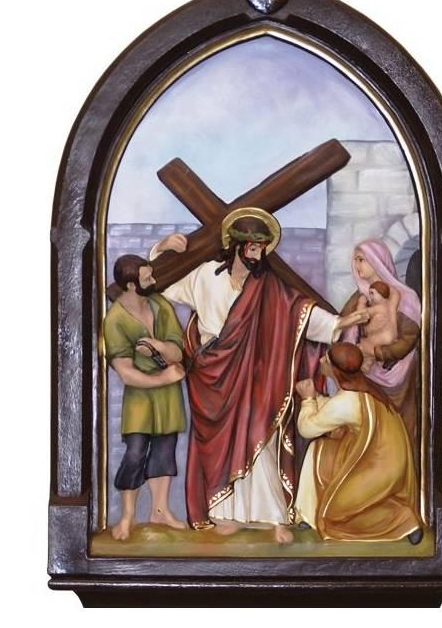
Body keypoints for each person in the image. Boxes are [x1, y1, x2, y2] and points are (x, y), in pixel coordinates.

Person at [151, 207, 369, 543]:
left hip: (255, 373)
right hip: (213, 375)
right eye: (252, 247)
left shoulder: (268, 286)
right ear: (236, 245)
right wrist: (162, 248)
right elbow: (162, 283)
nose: (257, 255)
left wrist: (340, 323)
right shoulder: (204, 275)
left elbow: (297, 312)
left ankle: (274, 517)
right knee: (220, 448)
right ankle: (225, 513)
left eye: (261, 248)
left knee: (260, 434)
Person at [294, 342, 422, 543]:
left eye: (326, 359)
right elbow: (334, 409)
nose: (321, 360)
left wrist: (308, 400)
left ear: (336, 369)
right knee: (320, 451)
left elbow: (307, 429)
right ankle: (307, 515)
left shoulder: (347, 401)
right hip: (382, 457)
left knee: (336, 518)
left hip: (378, 468)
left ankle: (403, 520)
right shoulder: (364, 388)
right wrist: (316, 399)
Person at [103, 254, 188, 541]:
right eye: (147, 278)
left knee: (165, 451)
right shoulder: (115, 320)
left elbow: (177, 351)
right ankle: (127, 516)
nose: (153, 280)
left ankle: (160, 511)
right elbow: (126, 373)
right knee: (135, 454)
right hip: (139, 398)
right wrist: (163, 378)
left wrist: (157, 346)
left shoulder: (160, 305)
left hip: (168, 397)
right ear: (130, 285)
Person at [339, 239, 422, 450]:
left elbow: (409, 337)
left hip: (397, 377)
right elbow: (340, 325)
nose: (357, 265)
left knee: (398, 433)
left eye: (362, 259)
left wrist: (379, 353)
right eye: (355, 260)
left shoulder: (406, 298)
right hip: (365, 375)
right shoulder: (359, 298)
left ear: (377, 261)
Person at [357, 281, 401, 371]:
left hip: (382, 337)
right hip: (390, 337)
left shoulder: (378, 308)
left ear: (381, 293)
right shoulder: (390, 304)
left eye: (372, 293)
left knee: (362, 346)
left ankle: (367, 363)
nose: (370, 297)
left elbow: (360, 315)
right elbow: (396, 293)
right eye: (370, 293)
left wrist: (361, 303)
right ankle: (368, 363)